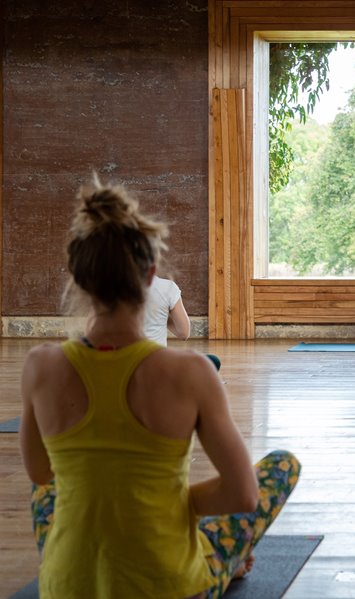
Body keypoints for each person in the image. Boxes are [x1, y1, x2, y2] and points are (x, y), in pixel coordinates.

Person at [19, 177, 300, 598]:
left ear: (79, 278)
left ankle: (77, 557)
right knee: (283, 465)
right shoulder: (191, 373)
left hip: (66, 587)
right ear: (150, 275)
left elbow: (41, 475)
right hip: (172, 586)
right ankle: (222, 561)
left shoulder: (40, 366)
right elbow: (243, 493)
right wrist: (171, 504)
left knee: (49, 499)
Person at [145, 274, 222, 371]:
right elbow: (184, 333)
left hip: (125, 366)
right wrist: (161, 315)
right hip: (158, 367)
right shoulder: (167, 287)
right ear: (153, 266)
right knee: (213, 361)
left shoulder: (119, 288)